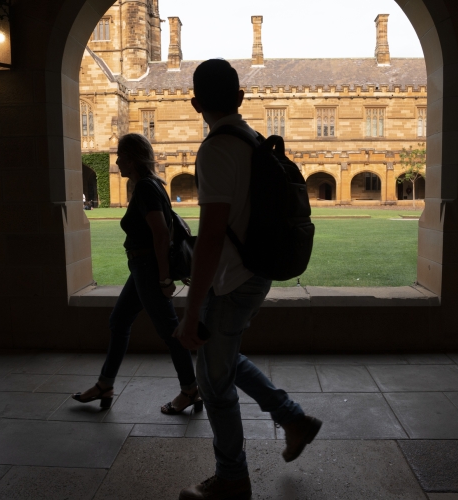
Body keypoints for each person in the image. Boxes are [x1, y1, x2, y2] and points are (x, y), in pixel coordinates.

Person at [174, 59, 322, 500]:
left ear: (196, 102)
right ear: (240, 98)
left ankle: (232, 479)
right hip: (256, 270)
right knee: (222, 357)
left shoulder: (217, 148)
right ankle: (293, 418)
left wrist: (190, 308)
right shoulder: (252, 139)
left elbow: (212, 235)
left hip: (232, 279)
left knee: (213, 383)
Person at [73, 133, 201, 415]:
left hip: (148, 269)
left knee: (170, 332)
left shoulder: (145, 187)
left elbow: (161, 233)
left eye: (121, 156)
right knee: (119, 321)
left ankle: (190, 389)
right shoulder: (152, 184)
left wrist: (164, 279)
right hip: (141, 269)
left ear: (132, 159)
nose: (116, 161)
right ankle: (105, 384)